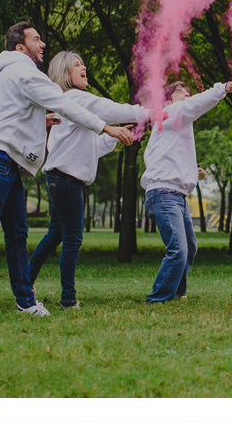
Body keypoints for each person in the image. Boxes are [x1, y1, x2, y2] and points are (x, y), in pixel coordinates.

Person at [0, 22, 134, 318]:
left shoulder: (5, 75)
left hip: (5, 161)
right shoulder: (24, 72)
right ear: (20, 47)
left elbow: (11, 114)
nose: (43, 44)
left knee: (17, 234)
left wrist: (40, 121)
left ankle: (25, 301)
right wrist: (107, 128)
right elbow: (63, 103)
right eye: (36, 39)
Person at [28, 51, 148, 309]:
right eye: (77, 65)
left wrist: (114, 137)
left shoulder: (69, 104)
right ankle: (68, 299)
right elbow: (113, 110)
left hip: (58, 179)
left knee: (55, 235)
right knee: (72, 239)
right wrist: (148, 113)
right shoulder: (75, 97)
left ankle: (26, 283)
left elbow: (93, 146)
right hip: (66, 181)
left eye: (84, 62)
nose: (84, 67)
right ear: (64, 73)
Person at [141, 78, 232, 303]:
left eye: (186, 90)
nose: (185, 93)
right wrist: (223, 88)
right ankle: (158, 297)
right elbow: (196, 104)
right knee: (178, 249)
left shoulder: (176, 125)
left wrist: (189, 169)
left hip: (175, 193)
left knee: (189, 247)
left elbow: (162, 155)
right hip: (164, 193)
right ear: (168, 100)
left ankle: (176, 292)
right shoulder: (172, 111)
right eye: (179, 91)